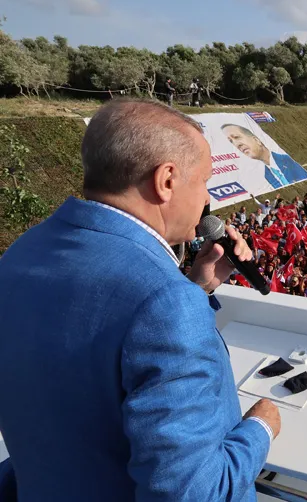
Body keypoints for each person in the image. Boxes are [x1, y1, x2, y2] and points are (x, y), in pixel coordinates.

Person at [0, 99, 280, 501]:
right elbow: (194, 493)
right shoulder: (164, 302)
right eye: (202, 181)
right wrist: (262, 428)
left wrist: (196, 288)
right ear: (166, 180)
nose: (205, 201)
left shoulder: (22, 253)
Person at [222, 123, 307, 189]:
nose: (236, 144)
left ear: (257, 140)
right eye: (231, 141)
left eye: (236, 137)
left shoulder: (287, 160)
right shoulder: (267, 175)